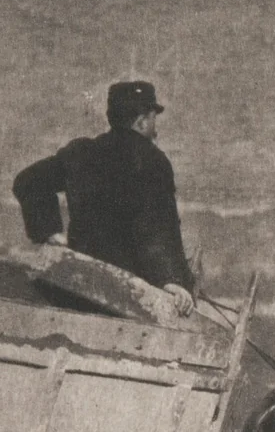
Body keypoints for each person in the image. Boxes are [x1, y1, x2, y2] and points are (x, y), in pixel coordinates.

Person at [13, 81, 195, 316]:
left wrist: (50, 232)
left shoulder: (80, 152)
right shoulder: (153, 161)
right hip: (131, 298)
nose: (154, 128)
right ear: (141, 121)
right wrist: (172, 281)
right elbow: (157, 228)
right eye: (153, 119)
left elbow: (28, 181)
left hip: (78, 284)